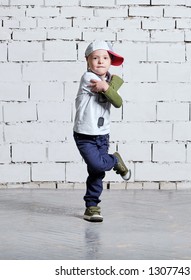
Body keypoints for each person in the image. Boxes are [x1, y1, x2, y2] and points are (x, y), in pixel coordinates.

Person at [73, 41, 131, 222]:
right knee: (99, 165)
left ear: (110, 61)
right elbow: (115, 99)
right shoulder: (89, 78)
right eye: (95, 58)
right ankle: (114, 160)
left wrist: (109, 87)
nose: (100, 62)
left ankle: (92, 206)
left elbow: (117, 102)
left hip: (102, 134)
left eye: (105, 58)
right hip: (85, 134)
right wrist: (108, 88)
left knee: (96, 172)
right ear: (87, 61)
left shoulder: (108, 82)